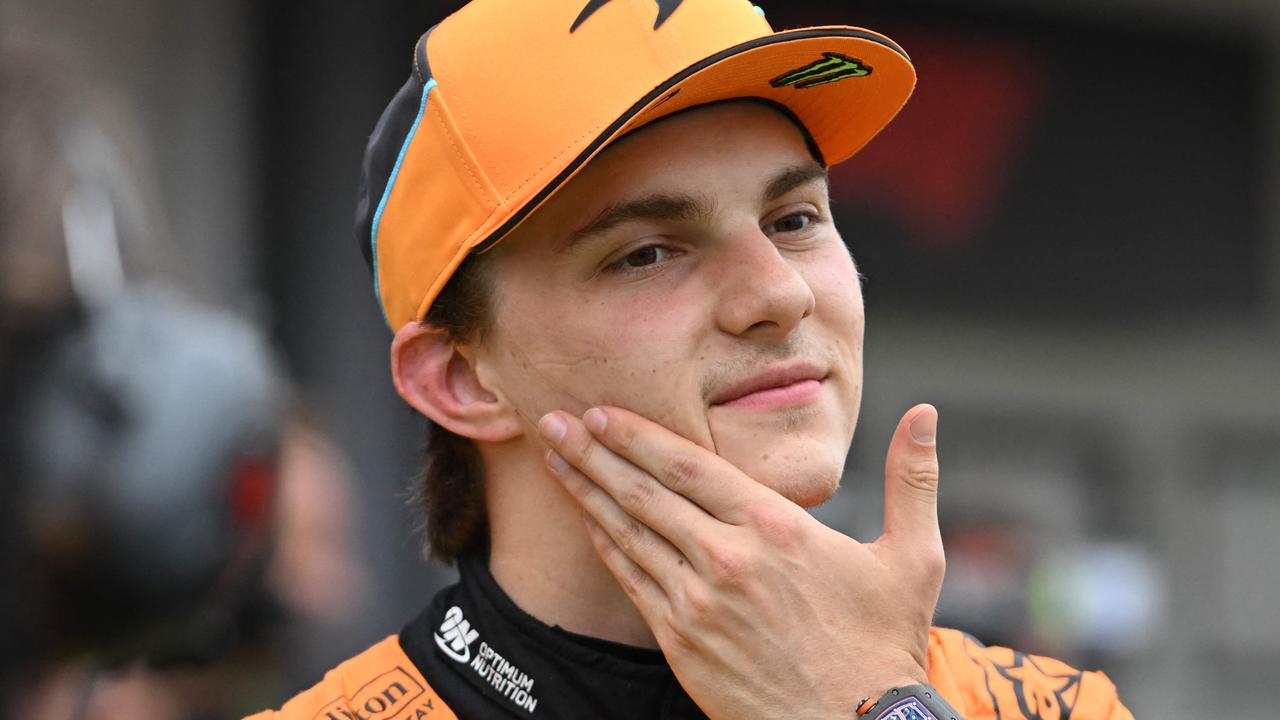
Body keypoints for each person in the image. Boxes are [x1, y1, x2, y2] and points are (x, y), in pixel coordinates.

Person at [249, 0, 1133, 718]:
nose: (779, 295)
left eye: (794, 220)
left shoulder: (1052, 708)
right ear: (462, 378)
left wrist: (868, 709)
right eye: (645, 252)